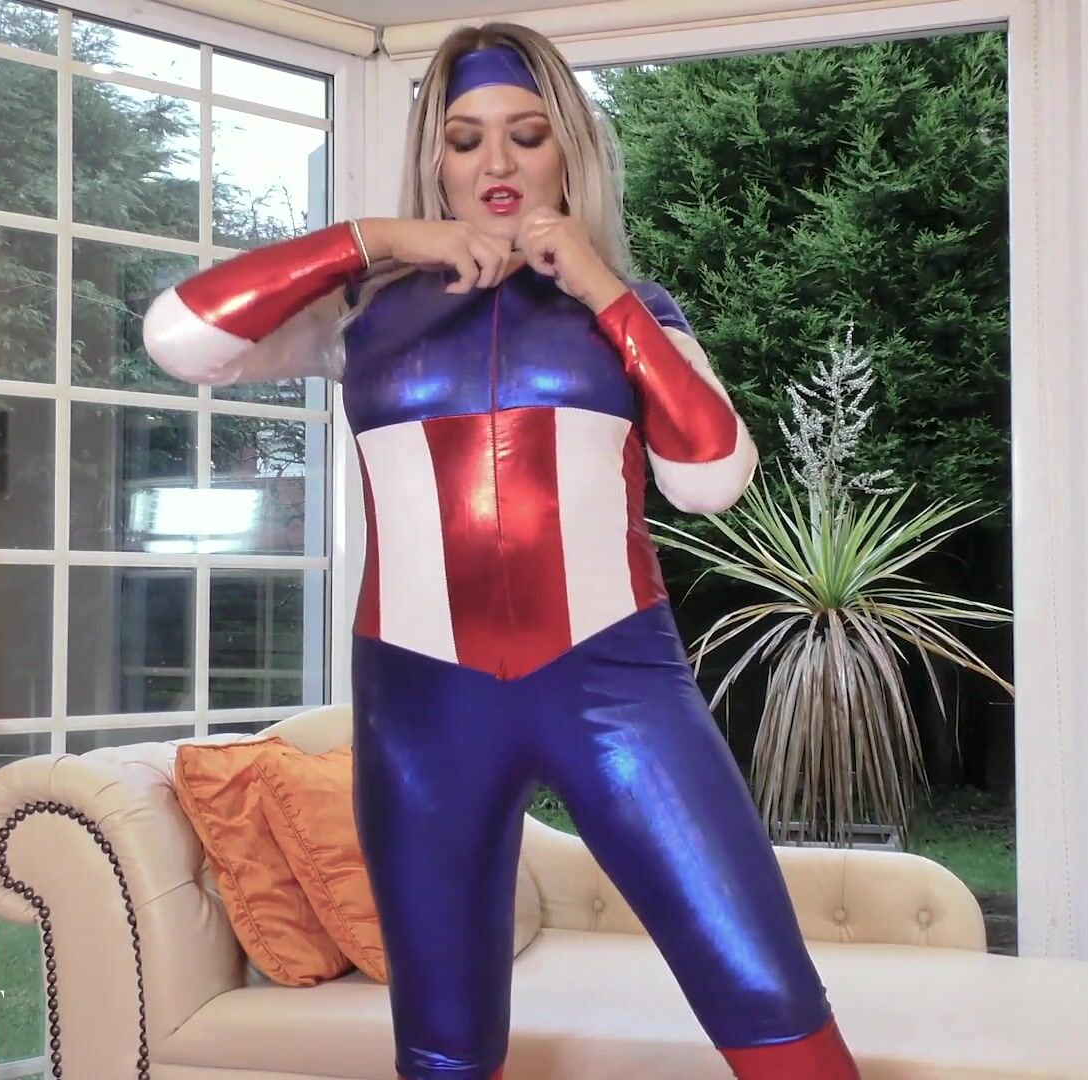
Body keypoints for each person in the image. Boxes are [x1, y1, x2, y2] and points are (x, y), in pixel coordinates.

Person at [143, 22, 861, 1080]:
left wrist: (605, 292)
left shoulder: (635, 310)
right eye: (465, 138)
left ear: (569, 150)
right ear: (434, 158)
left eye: (527, 135)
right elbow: (178, 335)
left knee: (765, 994)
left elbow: (712, 476)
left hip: (616, 690)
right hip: (423, 707)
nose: (497, 163)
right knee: (443, 1047)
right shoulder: (360, 314)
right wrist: (381, 239)